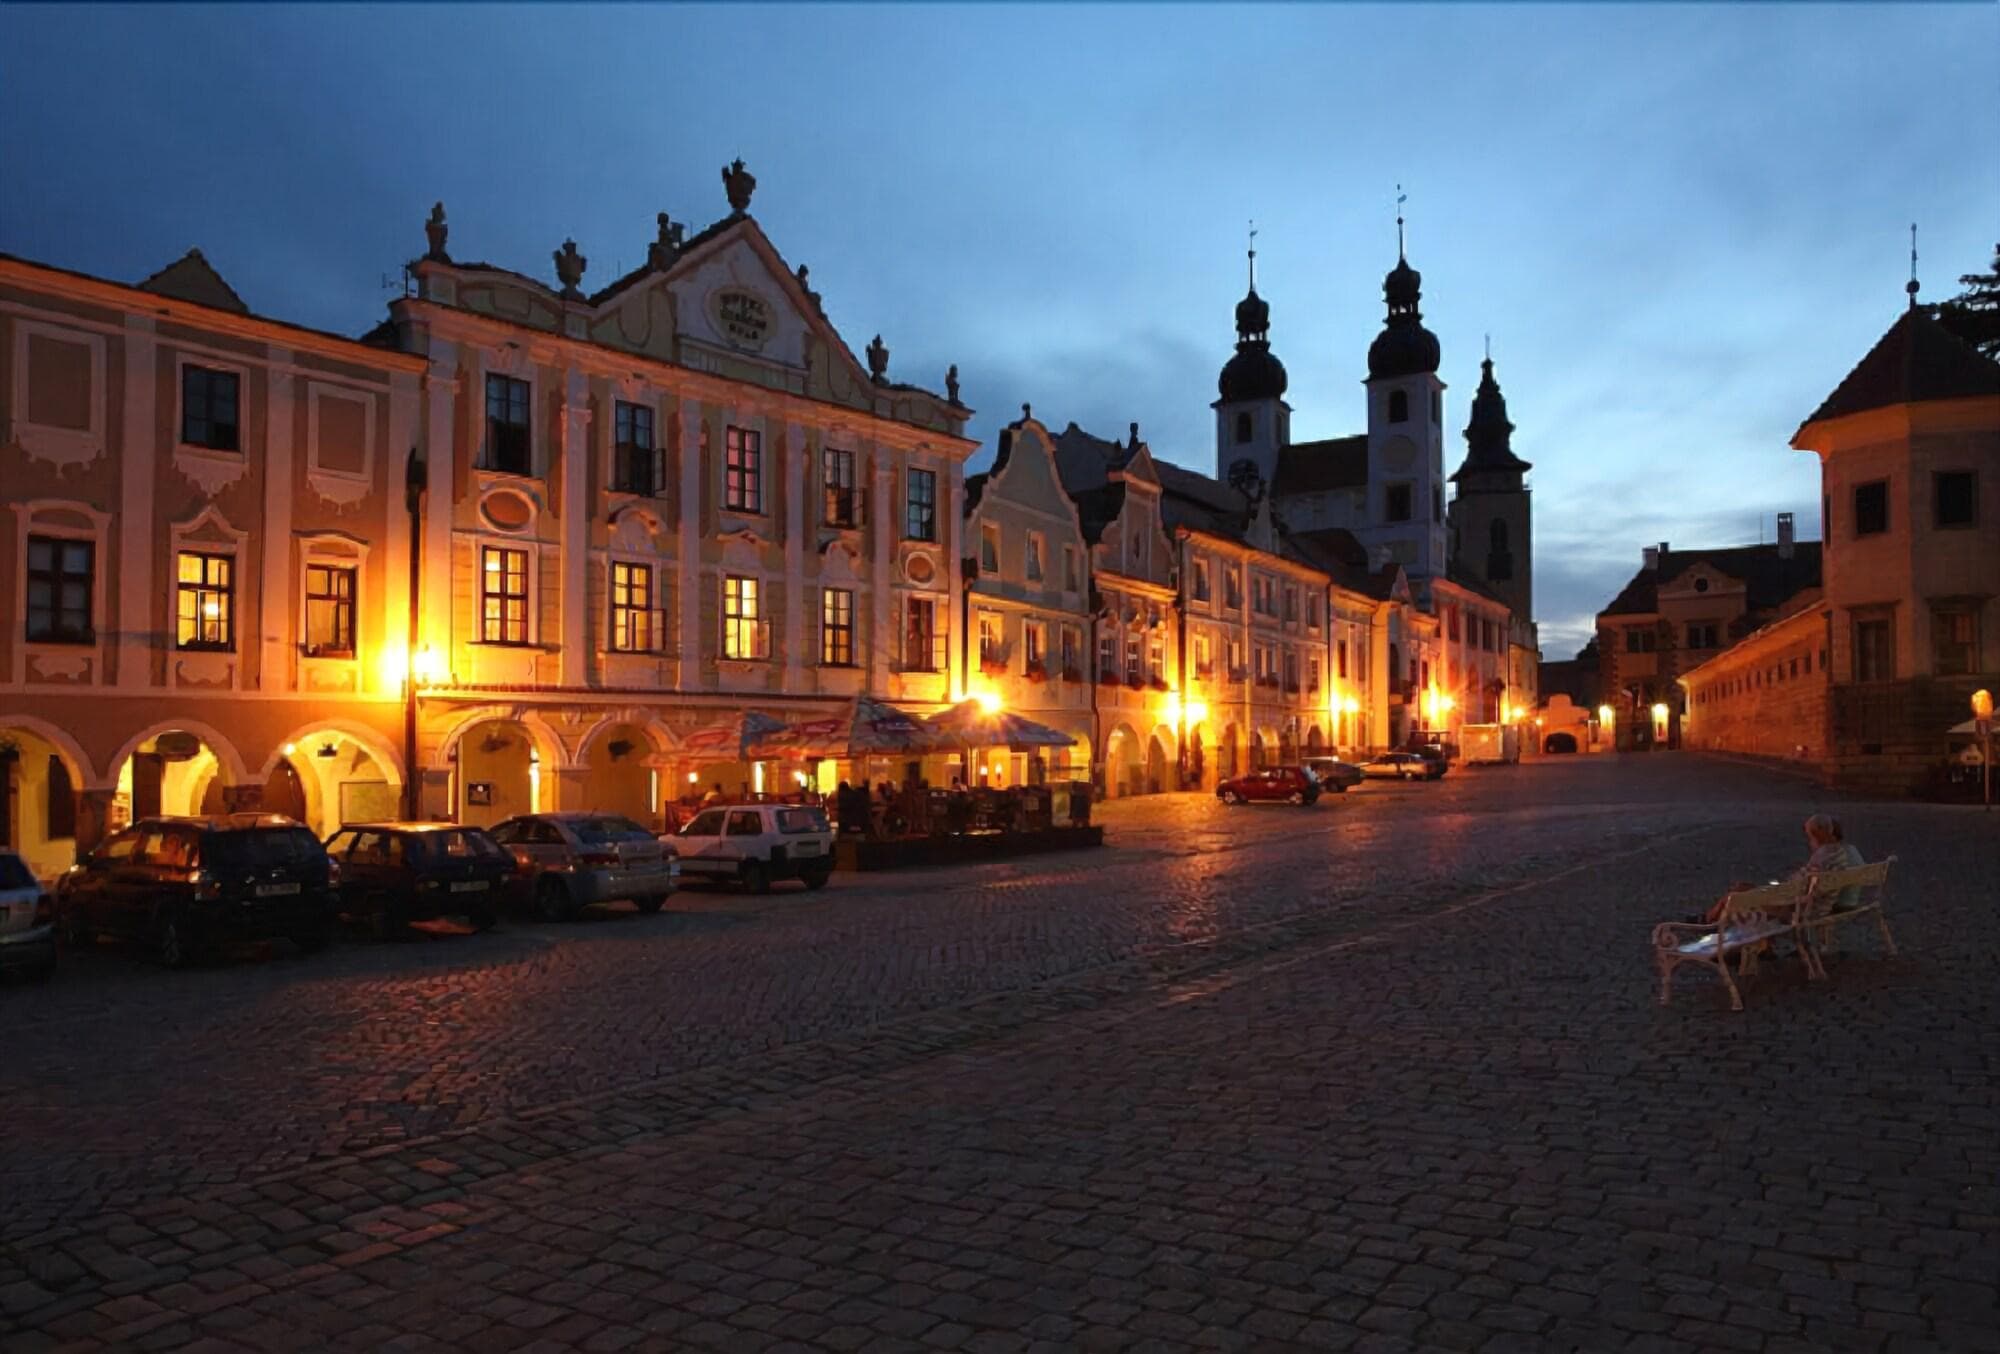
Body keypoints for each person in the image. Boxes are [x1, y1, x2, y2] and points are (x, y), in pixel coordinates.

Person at [1699, 813, 1863, 925]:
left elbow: (1796, 890)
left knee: (1737, 894)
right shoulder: (1843, 854)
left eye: (1810, 836)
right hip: (1814, 904)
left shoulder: (1823, 858)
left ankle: (1708, 922)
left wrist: (1774, 889)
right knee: (1742, 889)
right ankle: (1709, 918)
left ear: (1817, 835)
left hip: (1798, 909)